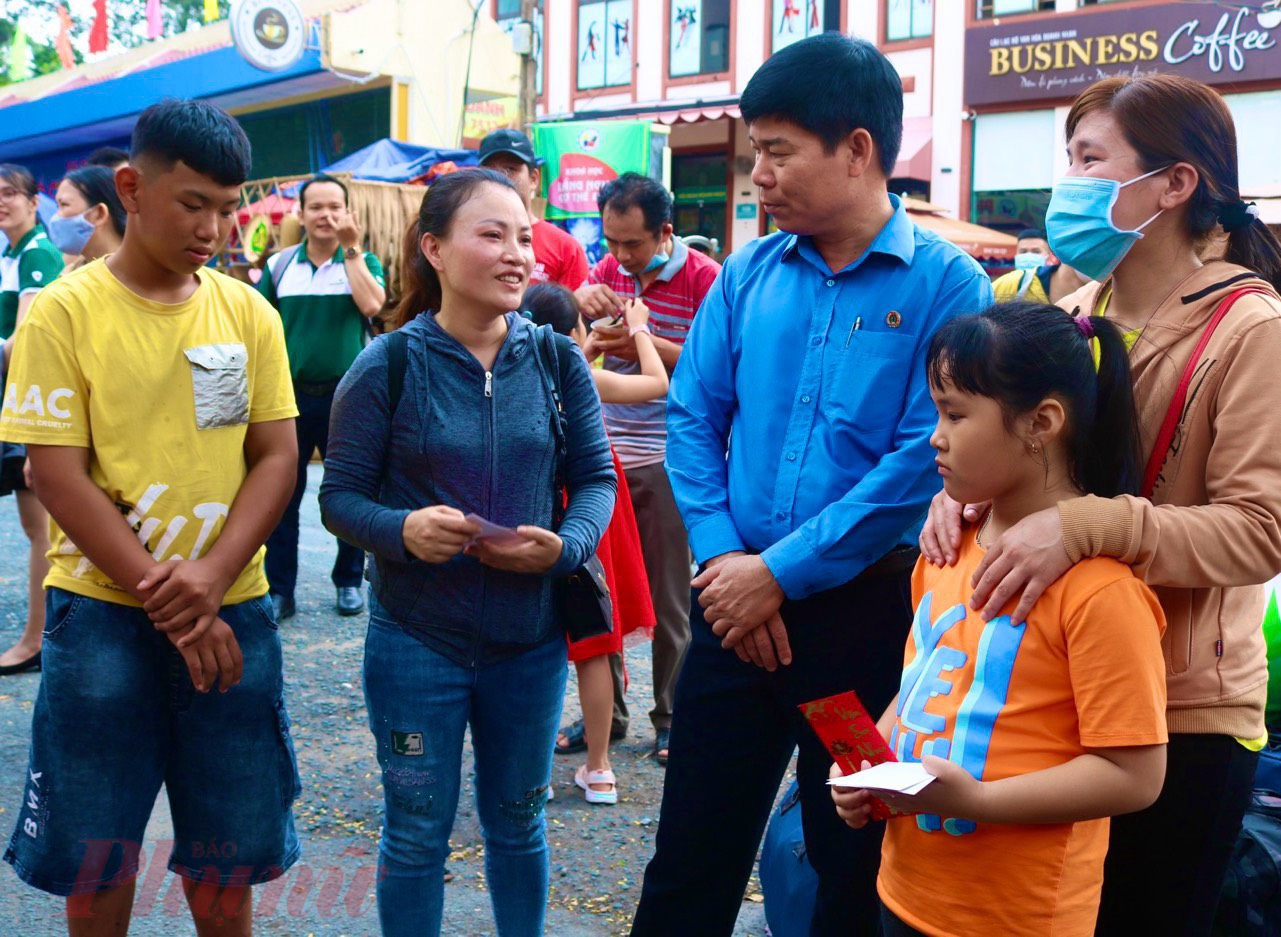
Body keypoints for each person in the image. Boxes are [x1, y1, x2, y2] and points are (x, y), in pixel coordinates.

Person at [631, 35, 993, 936]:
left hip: (859, 633)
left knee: (853, 858)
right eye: (756, 152)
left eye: (779, 151)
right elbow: (692, 419)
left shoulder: (948, 285)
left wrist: (779, 574)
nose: (759, 174)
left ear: (858, 150)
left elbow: (921, 458)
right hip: (729, 618)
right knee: (690, 854)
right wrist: (726, 566)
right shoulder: (749, 274)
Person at [918, 73, 1281, 937]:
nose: (1066, 186)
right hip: (1047, 696)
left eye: (1088, 159)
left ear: (1173, 183)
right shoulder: (1072, 311)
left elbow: (1260, 531)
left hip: (1182, 712)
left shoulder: (1250, 327)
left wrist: (1086, 525)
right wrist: (958, 500)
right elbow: (1035, 465)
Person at [1, 98, 301, 935]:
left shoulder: (247, 314)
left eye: (229, 206)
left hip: (230, 607)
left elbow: (275, 456)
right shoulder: (65, 311)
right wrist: (166, 593)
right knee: (98, 858)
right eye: (193, 202)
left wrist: (208, 579)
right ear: (130, 187)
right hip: (101, 613)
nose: (215, 226)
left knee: (227, 857)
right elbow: (53, 471)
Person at [318, 169, 615, 936]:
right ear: (435, 250)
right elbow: (338, 499)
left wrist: (565, 547)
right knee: (416, 832)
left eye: (523, 237)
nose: (517, 254)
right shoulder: (386, 364)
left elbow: (593, 480)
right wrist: (401, 531)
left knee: (519, 824)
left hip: (530, 641)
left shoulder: (556, 360)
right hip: (417, 640)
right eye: (492, 234)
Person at [831, 301, 1168, 936]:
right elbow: (920, 689)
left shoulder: (1099, 591)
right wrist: (870, 769)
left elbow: (1135, 774)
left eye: (956, 414)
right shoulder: (944, 546)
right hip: (907, 889)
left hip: (1018, 915)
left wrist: (980, 802)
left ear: (1042, 423)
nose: (936, 435)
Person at [565, 172, 720, 767]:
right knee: (602, 595)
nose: (621, 257)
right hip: (604, 456)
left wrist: (644, 343)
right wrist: (582, 307)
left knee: (667, 597)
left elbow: (716, 367)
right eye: (611, 243)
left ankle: (671, 716)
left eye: (632, 244)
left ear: (665, 233)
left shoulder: (705, 280)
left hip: (669, 457)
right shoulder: (605, 274)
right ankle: (608, 714)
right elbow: (576, 346)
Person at [525, 282, 659, 804]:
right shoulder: (581, 374)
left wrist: (590, 341)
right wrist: (641, 329)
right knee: (594, 641)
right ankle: (600, 770)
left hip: (535, 501)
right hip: (590, 503)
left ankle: (527, 768)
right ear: (575, 331)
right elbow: (655, 382)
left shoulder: (517, 370)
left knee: (528, 640)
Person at [259, 173, 386, 620]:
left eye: (335, 207)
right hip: (288, 398)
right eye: (317, 207)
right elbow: (260, 328)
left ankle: (349, 581)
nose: (326, 216)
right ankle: (279, 590)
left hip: (347, 399)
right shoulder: (278, 266)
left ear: (348, 213)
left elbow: (373, 308)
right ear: (301, 213)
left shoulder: (364, 260)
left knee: (348, 493)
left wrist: (351, 251)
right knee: (280, 495)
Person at [0, 163, 64, 677]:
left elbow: (23, 344)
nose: (2, 203)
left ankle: (39, 639)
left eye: (9, 194)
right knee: (36, 526)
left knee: (41, 526)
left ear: (32, 201)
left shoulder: (38, 253)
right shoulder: (11, 253)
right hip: (16, 401)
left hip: (29, 403)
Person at [479, 128, 590, 291]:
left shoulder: (565, 248)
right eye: (490, 170)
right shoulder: (466, 239)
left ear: (533, 179)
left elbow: (572, 312)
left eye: (510, 169)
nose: (499, 177)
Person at [48, 165, 127, 272]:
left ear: (99, 214)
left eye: (64, 205)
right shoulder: (70, 274)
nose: (56, 216)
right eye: (58, 206)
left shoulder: (140, 274)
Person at [991, 227, 1089, 304]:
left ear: (1050, 256)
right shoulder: (1013, 283)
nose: (1028, 256)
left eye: (1036, 251)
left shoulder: (1097, 294)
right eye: (1023, 252)